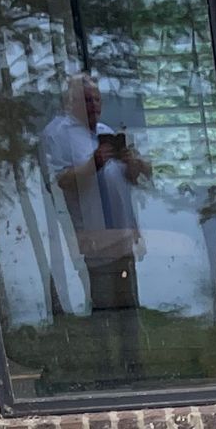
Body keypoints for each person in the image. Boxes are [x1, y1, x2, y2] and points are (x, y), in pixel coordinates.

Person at [41, 73, 150, 378]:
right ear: (70, 101)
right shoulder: (58, 133)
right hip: (92, 239)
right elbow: (61, 181)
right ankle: (105, 370)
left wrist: (132, 163)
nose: (94, 105)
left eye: (98, 99)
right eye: (87, 99)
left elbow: (129, 181)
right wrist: (95, 163)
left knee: (129, 308)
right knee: (102, 309)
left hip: (122, 237)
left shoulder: (104, 132)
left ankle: (133, 367)